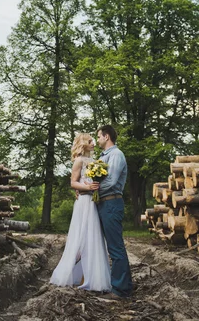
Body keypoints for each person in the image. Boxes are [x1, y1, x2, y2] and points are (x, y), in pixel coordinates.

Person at [50, 133, 112, 292]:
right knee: (82, 235)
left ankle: (93, 276)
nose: (93, 143)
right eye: (90, 141)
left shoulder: (95, 161)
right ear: (83, 144)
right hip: (84, 202)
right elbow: (73, 182)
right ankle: (72, 273)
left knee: (94, 237)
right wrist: (87, 188)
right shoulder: (78, 161)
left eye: (93, 140)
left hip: (95, 202)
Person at [95, 125, 133, 299]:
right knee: (108, 246)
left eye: (99, 137)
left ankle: (121, 289)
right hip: (103, 204)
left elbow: (110, 181)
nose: (97, 140)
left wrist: (91, 190)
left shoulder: (116, 155)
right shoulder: (104, 156)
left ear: (107, 136)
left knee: (115, 247)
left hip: (111, 203)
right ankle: (117, 282)